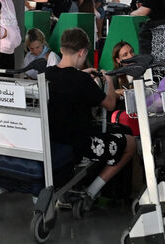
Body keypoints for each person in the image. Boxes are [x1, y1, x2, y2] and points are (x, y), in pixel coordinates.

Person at [45, 28, 135, 201]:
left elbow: (66, 79)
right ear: (82, 52)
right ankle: (92, 191)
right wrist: (108, 81)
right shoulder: (82, 80)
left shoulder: (47, 74)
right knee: (130, 143)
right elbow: (110, 104)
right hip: (80, 144)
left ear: (62, 49)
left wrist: (81, 74)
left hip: (54, 140)